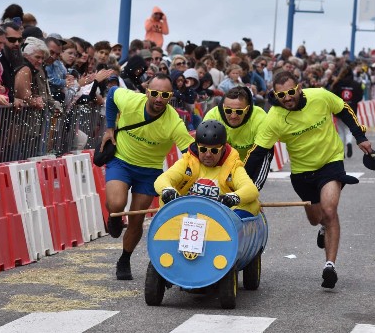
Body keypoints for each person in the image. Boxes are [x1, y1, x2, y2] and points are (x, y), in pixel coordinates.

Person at [248, 71, 375, 289]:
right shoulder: (274, 119)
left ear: (299, 88)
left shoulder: (320, 96)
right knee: (315, 219)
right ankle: (323, 228)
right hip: (302, 173)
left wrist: (359, 136)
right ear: (274, 95)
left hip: (330, 163)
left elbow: (343, 109)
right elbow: (258, 152)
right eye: (281, 95)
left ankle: (330, 265)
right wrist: (242, 181)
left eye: (290, 92)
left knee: (329, 210)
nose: (287, 98)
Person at [100, 74, 194, 280]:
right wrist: (109, 128)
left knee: (136, 218)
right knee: (116, 204)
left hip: (149, 171)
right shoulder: (131, 100)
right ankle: (113, 216)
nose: (159, 99)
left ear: (171, 97)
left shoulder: (173, 122)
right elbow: (112, 94)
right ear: (146, 91)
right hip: (121, 161)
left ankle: (124, 259)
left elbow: (190, 151)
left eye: (165, 95)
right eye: (155, 93)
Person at [155, 120, 260, 218]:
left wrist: (234, 197)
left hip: (221, 219)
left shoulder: (233, 166)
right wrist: (167, 190)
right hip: (186, 217)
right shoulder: (187, 162)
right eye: (203, 149)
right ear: (197, 146)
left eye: (214, 150)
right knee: (165, 198)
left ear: (223, 149)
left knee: (251, 203)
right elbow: (162, 179)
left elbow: (251, 189)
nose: (208, 155)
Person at [204, 87, 273, 189]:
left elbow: (260, 154)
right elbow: (203, 151)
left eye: (239, 111)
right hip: (222, 161)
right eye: (228, 110)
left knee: (267, 149)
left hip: (251, 160)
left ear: (248, 109)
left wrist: (248, 189)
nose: (233, 116)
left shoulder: (260, 118)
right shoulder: (212, 116)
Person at [330, 66, 363, 159]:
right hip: (351, 110)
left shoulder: (338, 84)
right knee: (348, 130)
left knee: (340, 132)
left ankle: (342, 151)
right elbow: (359, 97)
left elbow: (333, 95)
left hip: (340, 110)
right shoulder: (356, 84)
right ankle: (349, 143)